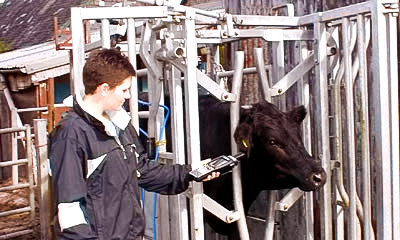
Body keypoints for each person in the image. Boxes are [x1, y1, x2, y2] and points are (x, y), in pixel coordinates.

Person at [49, 48, 219, 240]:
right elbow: (69, 209)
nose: (128, 96)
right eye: (124, 89)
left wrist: (189, 172)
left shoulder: (119, 124)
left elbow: (142, 170)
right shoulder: (71, 134)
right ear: (104, 89)